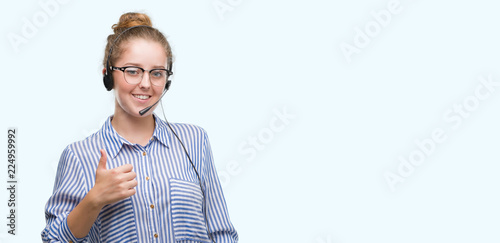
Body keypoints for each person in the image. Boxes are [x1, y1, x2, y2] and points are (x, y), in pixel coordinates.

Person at [41, 12, 238, 242]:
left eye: (156, 73)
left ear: (167, 80)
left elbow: (221, 233)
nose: (145, 84)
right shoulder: (79, 155)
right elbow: (53, 240)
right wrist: (93, 200)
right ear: (108, 76)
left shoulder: (195, 140)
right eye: (132, 71)